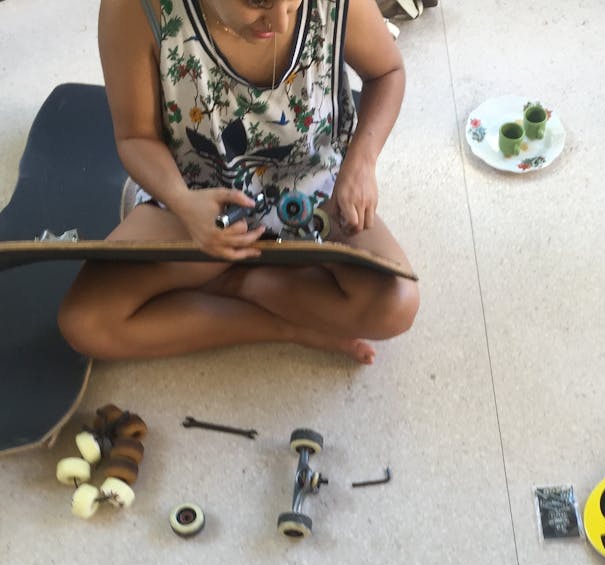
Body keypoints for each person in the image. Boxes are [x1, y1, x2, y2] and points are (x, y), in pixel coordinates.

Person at [58, 0, 419, 364]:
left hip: (313, 193)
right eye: (257, 3)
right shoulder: (135, 8)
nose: (278, 22)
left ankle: (233, 282)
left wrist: (361, 163)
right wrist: (182, 201)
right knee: (86, 321)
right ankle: (286, 323)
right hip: (197, 200)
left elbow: (387, 71)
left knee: (395, 303)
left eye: (293, 5)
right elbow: (136, 138)